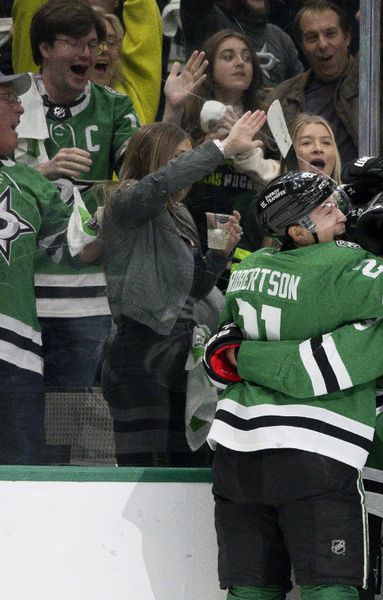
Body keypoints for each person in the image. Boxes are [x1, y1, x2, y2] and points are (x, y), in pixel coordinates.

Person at [203, 172, 383, 599]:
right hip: (315, 453)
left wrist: (245, 359)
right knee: (330, 588)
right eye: (328, 211)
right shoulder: (340, 264)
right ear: (297, 231)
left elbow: (222, 354)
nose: (342, 216)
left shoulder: (246, 271)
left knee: (250, 590)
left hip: (237, 453)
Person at [99, 110, 264, 467]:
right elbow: (160, 184)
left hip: (179, 356)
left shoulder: (182, 214)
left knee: (185, 468)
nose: (187, 169)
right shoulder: (126, 200)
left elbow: (195, 290)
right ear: (152, 159)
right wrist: (221, 149)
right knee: (144, 471)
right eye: (178, 159)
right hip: (137, 354)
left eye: (189, 157)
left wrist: (220, 254)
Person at [14, 0, 140, 390]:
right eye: (73, 43)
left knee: (73, 424)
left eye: (92, 44)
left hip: (86, 298)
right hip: (16, 293)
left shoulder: (115, 107)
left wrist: (171, 115)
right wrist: (41, 173)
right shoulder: (10, 101)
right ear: (45, 48)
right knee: (16, 417)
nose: (87, 53)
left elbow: (141, 175)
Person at [0, 69, 83, 464]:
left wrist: (112, 215)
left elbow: (75, 252)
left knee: (22, 478)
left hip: (17, 354)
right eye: (7, 98)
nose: (20, 108)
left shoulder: (29, 183)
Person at [163, 30, 274, 258]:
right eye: (228, 56)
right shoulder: (188, 113)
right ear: (210, 66)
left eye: (246, 57)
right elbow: (160, 170)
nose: (240, 63)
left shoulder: (268, 119)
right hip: (191, 227)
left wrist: (247, 153)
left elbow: (277, 183)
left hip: (247, 233)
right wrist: (205, 147)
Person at [265, 0, 383, 165]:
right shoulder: (282, 97)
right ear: (301, 45)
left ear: (347, 37)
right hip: (308, 189)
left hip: (373, 188)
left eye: (330, 34)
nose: (322, 44)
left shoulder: (376, 72)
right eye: (312, 37)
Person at [12, 0, 163, 124]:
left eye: (110, 42)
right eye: (75, 42)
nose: (100, 49)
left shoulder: (131, 96)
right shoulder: (29, 97)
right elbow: (30, 5)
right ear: (45, 49)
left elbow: (144, 13)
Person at [180, 0, 304, 89]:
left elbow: (299, 88)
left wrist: (280, 96)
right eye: (229, 57)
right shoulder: (212, 22)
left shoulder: (280, 37)